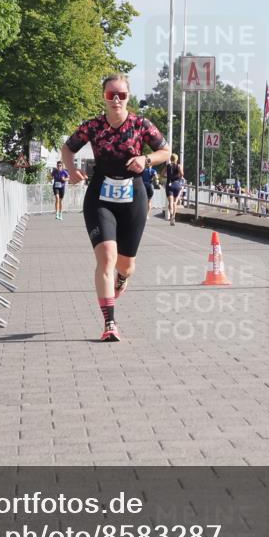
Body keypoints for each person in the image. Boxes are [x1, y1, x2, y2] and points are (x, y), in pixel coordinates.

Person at [61, 74, 171, 342]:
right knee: (106, 257)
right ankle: (110, 322)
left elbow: (165, 151)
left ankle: (122, 277)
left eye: (121, 95)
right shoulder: (94, 126)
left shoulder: (140, 124)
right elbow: (67, 148)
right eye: (111, 95)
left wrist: (145, 159)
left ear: (128, 97)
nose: (116, 100)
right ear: (104, 97)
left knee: (126, 265)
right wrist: (71, 169)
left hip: (132, 195)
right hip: (101, 196)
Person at [166, 153, 185, 226]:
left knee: (170, 202)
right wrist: (179, 176)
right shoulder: (178, 166)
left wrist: (167, 176)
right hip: (177, 184)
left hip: (169, 184)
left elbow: (162, 174)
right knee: (174, 203)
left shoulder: (168, 166)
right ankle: (173, 216)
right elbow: (182, 174)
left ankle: (171, 214)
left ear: (170, 159)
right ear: (176, 159)